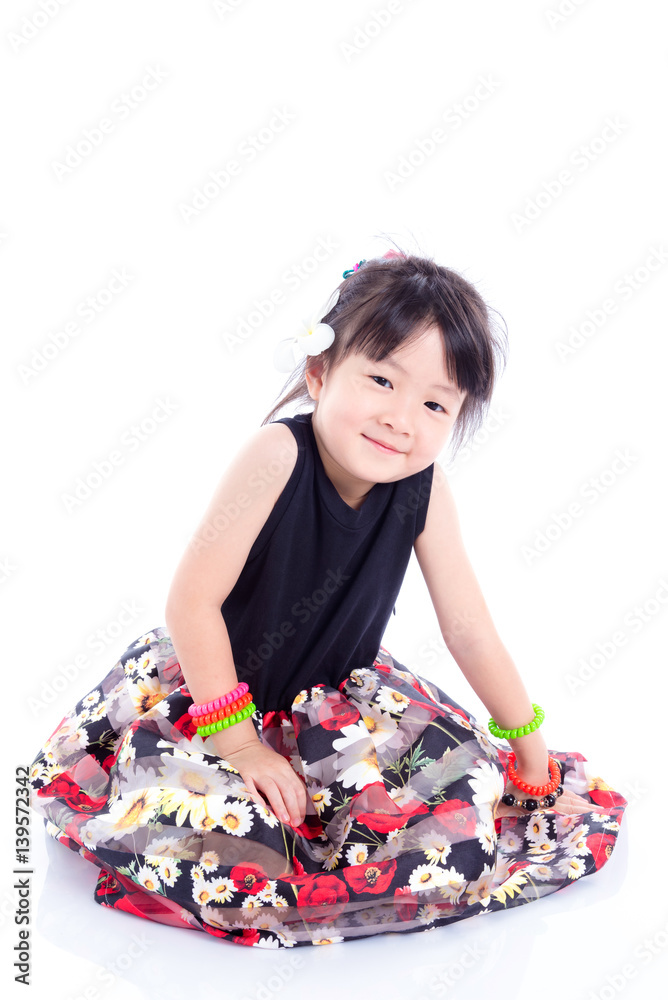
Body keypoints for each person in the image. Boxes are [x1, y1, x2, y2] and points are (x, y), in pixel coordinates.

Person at [28, 247, 627, 949]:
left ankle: (351, 832)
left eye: (435, 403)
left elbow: (467, 627)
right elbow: (191, 604)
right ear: (319, 372)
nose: (402, 418)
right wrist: (244, 746)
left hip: (338, 715)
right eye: (381, 380)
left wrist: (528, 742)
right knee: (239, 854)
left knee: (460, 813)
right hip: (220, 697)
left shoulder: (423, 489)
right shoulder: (278, 455)